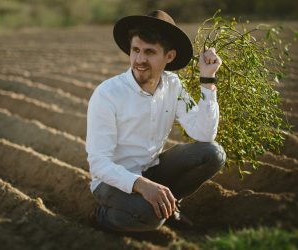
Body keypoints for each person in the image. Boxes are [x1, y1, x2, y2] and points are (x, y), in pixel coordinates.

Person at [86, 10, 226, 232]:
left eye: (150, 52)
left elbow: (204, 134)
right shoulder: (107, 94)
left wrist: (208, 79)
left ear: (169, 57)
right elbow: (98, 163)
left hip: (152, 169)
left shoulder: (174, 86)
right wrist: (141, 185)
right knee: (150, 217)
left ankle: (168, 205)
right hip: (111, 181)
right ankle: (102, 215)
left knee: (212, 153)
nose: (140, 60)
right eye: (136, 50)